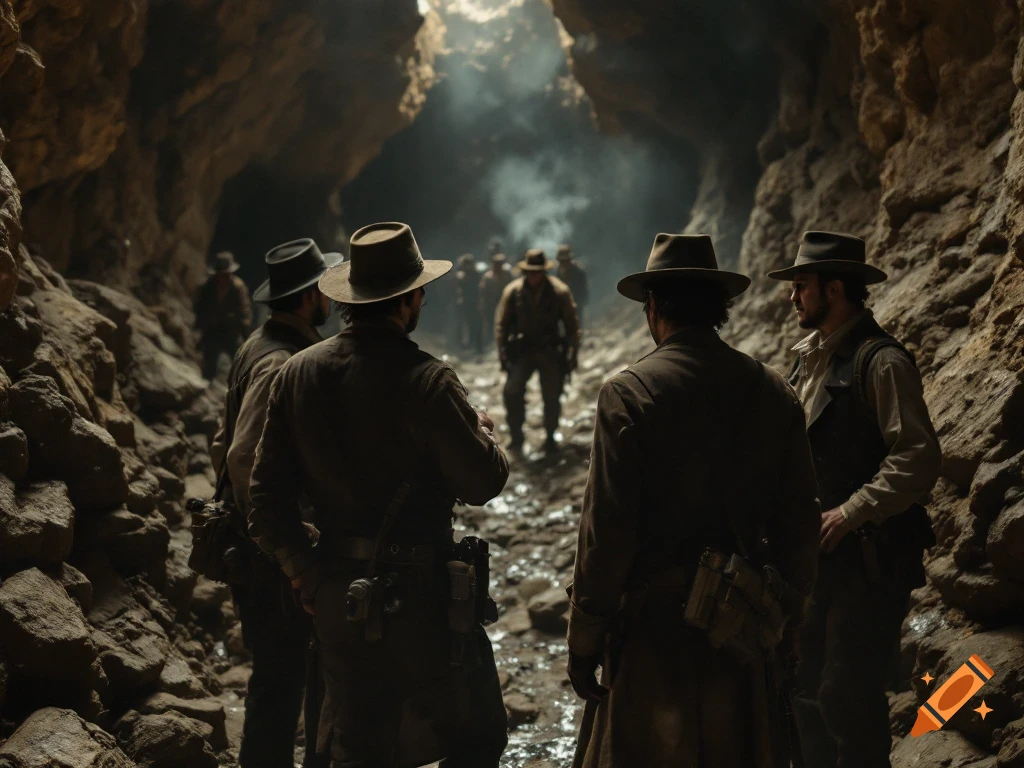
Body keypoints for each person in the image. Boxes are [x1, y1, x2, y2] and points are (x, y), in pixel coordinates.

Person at [248, 222, 510, 768]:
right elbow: (483, 483)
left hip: (337, 597)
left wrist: (304, 571)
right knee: (476, 735)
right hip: (425, 599)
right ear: (410, 299)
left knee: (354, 745)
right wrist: (481, 432)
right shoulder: (429, 381)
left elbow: (264, 498)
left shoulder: (296, 374)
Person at [567, 233, 820, 768]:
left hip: (652, 635)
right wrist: (790, 618)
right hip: (742, 633)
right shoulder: (776, 393)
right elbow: (799, 522)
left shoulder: (628, 393)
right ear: (720, 308)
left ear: (653, 306)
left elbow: (606, 534)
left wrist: (585, 635)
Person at [767, 231, 941, 768]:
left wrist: (853, 509)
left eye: (801, 286)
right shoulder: (809, 360)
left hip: (872, 559)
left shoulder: (880, 362)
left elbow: (917, 456)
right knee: (805, 690)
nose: (792, 298)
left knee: (847, 695)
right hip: (822, 562)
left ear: (834, 288)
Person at [209, 239, 341, 768]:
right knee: (284, 681)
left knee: (281, 676)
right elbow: (244, 459)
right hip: (272, 556)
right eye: (326, 289)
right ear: (311, 296)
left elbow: (221, 444)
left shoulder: (255, 344)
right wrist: (290, 544)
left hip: (259, 547)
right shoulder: (282, 362)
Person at [495, 248, 580, 452]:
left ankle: (550, 436)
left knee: (552, 394)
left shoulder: (559, 291)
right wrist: (502, 355)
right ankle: (517, 436)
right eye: (530, 272)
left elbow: (572, 327)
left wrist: (572, 355)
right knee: (512, 391)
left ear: (544, 272)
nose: (533, 276)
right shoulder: (512, 292)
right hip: (522, 351)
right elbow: (502, 325)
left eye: (537, 272)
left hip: (549, 350)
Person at [194, 251, 253, 380]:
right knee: (209, 362)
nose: (223, 278)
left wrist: (245, 336)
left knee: (240, 360)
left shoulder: (238, 288)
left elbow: (244, 314)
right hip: (212, 331)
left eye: (226, 274)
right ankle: (206, 384)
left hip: (231, 331)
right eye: (220, 274)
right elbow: (200, 309)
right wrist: (199, 329)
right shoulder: (207, 287)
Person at [479, 251, 513, 348]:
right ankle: (491, 345)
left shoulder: (507, 274)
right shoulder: (488, 276)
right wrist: (483, 304)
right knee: (491, 325)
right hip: (491, 305)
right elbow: (483, 292)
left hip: (504, 304)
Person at [454, 253, 483, 353]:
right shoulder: (461, 275)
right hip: (465, 303)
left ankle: (478, 347)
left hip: (475, 303)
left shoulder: (476, 275)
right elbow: (458, 290)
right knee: (464, 325)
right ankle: (465, 345)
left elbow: (480, 289)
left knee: (476, 324)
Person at [556, 244, 589, 326]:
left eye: (565, 261)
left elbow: (583, 290)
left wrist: (579, 302)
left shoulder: (578, 272)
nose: (563, 263)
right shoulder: (557, 273)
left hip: (576, 304)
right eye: (561, 261)